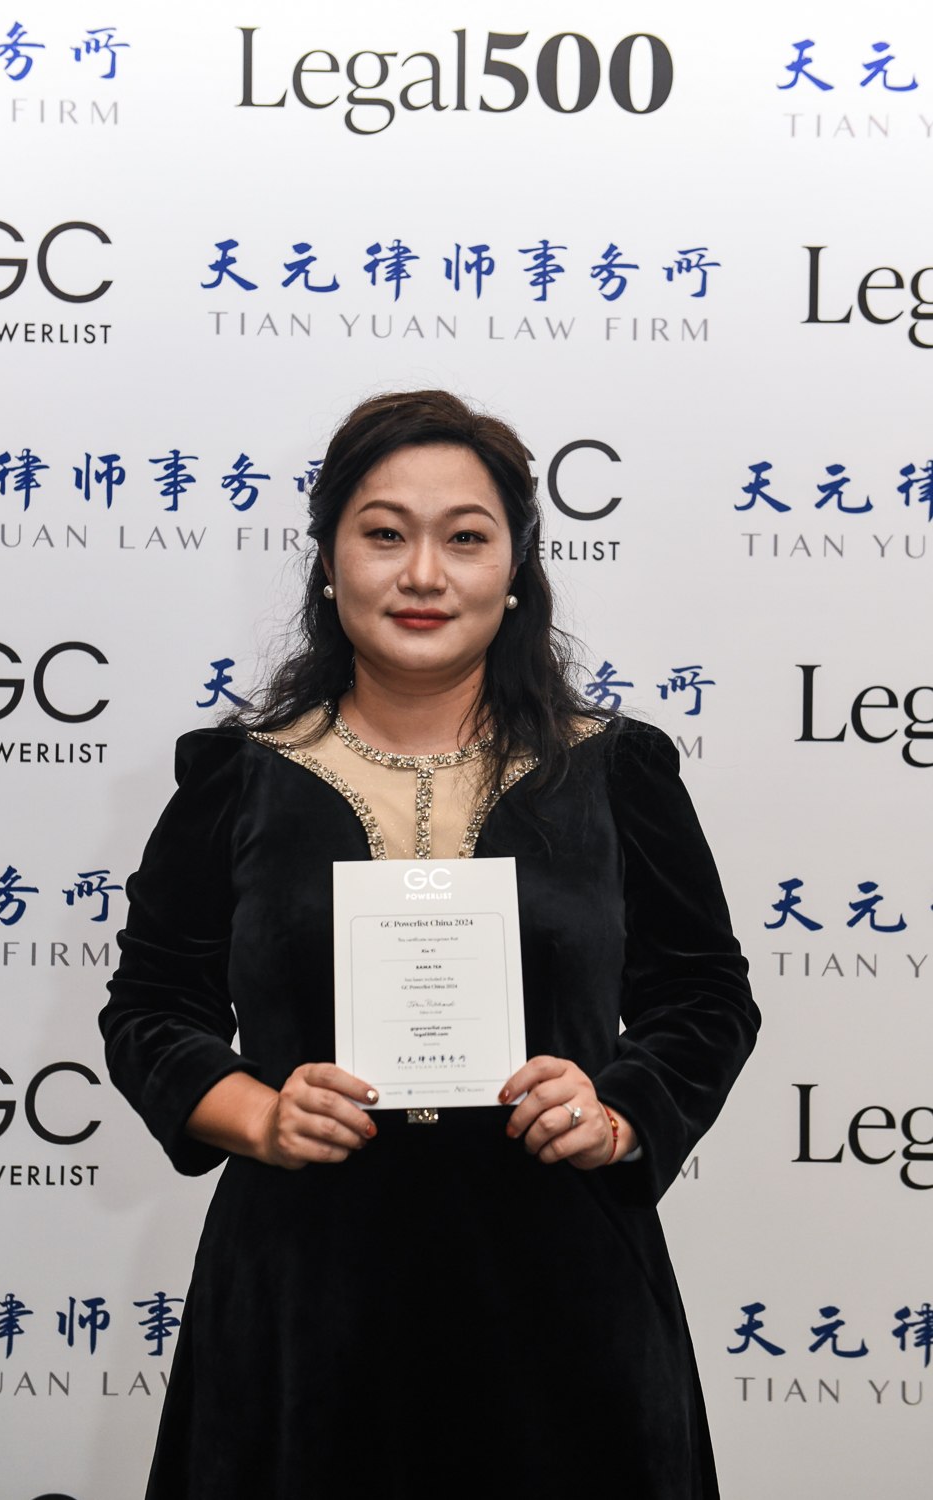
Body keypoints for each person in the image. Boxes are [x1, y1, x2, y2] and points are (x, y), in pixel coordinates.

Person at [100, 389, 760, 1499]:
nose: (422, 574)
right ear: (327, 562)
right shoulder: (237, 779)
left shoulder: (617, 771)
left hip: (563, 1302)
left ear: (516, 569)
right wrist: (259, 1114)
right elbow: (150, 1008)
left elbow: (704, 996)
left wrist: (617, 1114)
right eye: (383, 534)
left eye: (464, 538)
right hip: (301, 1305)